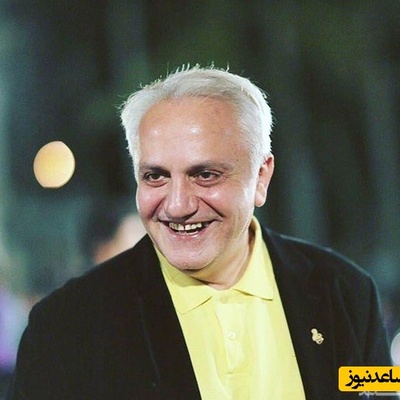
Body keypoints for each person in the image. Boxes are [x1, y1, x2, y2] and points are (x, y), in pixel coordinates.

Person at [8, 66, 394, 399]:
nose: (177, 205)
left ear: (261, 177)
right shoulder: (65, 327)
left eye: (205, 175)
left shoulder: (347, 293)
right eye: (155, 176)